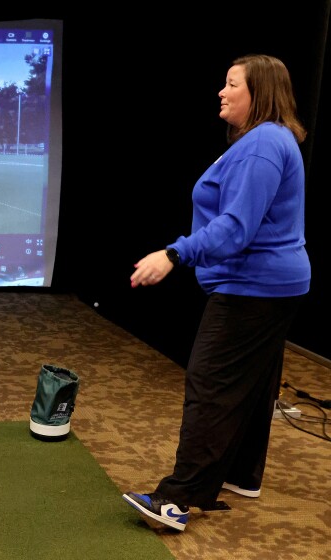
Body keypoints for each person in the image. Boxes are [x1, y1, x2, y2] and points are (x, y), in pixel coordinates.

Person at [121, 54, 310, 531]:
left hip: (253, 287)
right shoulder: (264, 140)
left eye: (232, 85)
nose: (221, 92)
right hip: (274, 284)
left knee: (211, 386)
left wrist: (174, 253)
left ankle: (176, 501)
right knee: (254, 382)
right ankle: (241, 474)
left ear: (258, 94)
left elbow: (235, 228)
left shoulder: (264, 143)